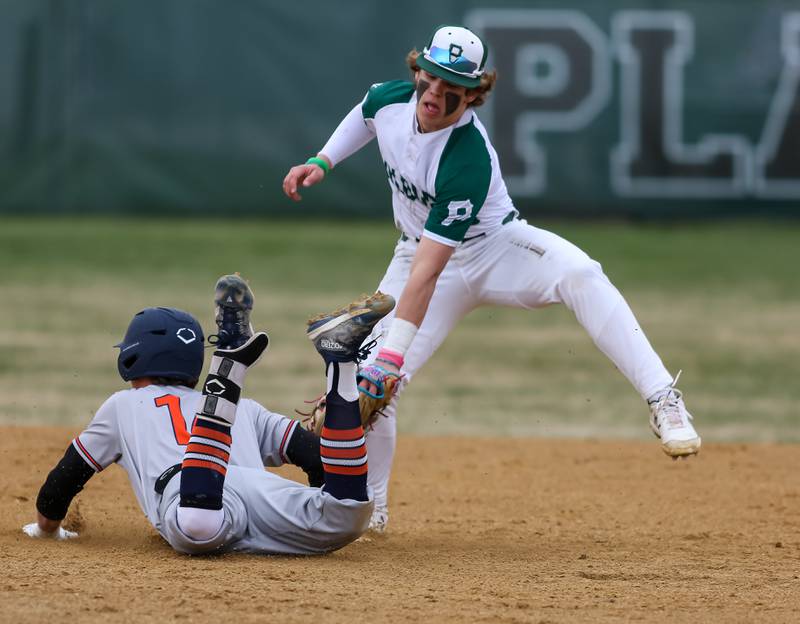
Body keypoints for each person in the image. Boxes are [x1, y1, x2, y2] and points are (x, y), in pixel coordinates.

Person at [282, 25, 701, 533]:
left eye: (451, 87)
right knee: (371, 390)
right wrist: (322, 160)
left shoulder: (466, 158)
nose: (435, 93)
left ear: (473, 95)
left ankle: (663, 398)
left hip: (496, 250)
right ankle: (371, 512)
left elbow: (432, 271)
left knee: (581, 273)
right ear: (418, 72)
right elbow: (365, 117)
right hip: (415, 253)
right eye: (429, 79)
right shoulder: (390, 100)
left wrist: (391, 355)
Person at [22, 273, 395, 555]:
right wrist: (314, 512)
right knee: (347, 513)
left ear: (133, 358)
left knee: (197, 526)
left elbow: (64, 479)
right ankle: (341, 362)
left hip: (193, 493)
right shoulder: (248, 412)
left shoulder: (123, 405)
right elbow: (315, 455)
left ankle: (229, 364)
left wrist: (47, 528)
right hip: (256, 490)